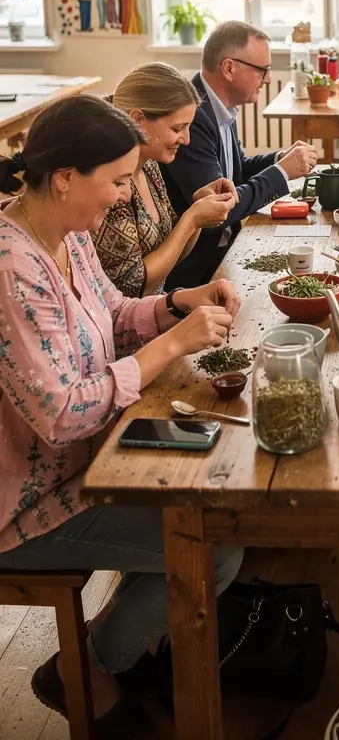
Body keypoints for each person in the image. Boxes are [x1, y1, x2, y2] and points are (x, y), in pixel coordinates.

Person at [0, 96, 243, 737]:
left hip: (93, 460)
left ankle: (122, 651)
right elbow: (61, 413)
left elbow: (111, 313)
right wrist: (174, 343)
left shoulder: (68, 233)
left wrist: (176, 304)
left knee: (206, 496)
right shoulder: (11, 267)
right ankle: (84, 670)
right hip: (25, 506)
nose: (127, 194)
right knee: (215, 548)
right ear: (64, 177)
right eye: (118, 180)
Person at [161, 21, 318, 287]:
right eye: (263, 70)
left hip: (223, 250)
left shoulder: (220, 105)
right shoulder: (193, 117)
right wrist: (282, 172)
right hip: (198, 271)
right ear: (229, 68)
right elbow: (221, 206)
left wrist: (279, 158)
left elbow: (235, 172)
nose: (268, 79)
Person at [92, 63, 237, 296]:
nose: (187, 140)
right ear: (137, 119)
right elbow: (132, 289)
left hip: (157, 306)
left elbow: (172, 256)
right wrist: (191, 220)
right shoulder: (113, 187)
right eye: (178, 128)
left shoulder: (150, 165)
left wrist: (197, 214)